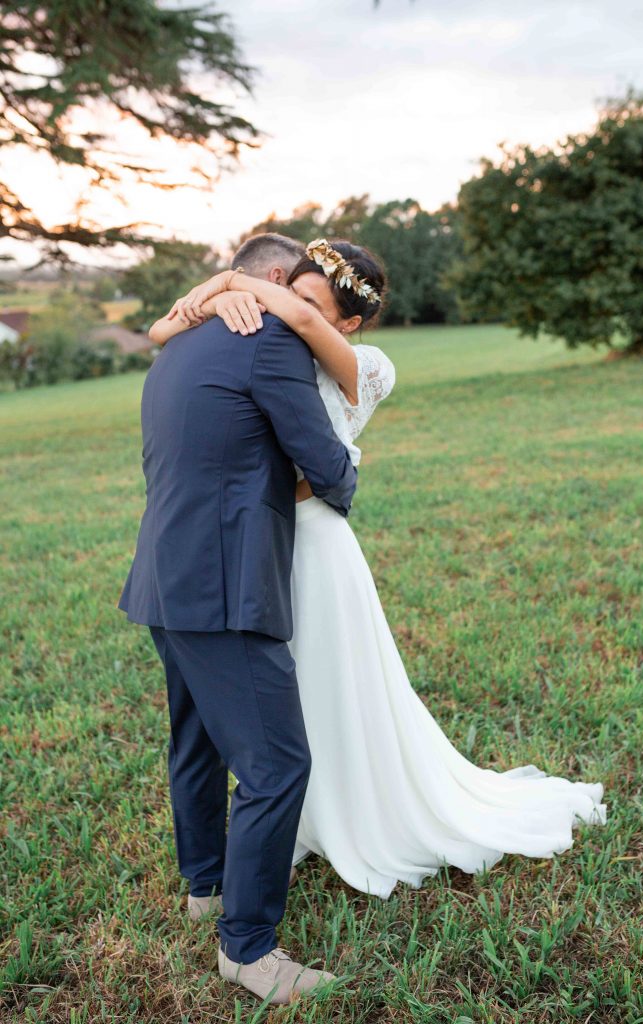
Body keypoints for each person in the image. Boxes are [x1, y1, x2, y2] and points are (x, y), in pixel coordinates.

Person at [154, 234, 606, 905]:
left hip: (312, 544)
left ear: (348, 321)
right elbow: (165, 332)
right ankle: (297, 821)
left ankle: (359, 816)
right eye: (284, 290)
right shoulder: (267, 342)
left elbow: (302, 336)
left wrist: (230, 284)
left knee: (334, 689)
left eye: (301, 298)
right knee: (282, 701)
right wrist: (209, 299)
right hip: (257, 547)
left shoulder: (363, 363)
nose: (283, 308)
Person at [118, 229, 358, 1005]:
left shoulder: (179, 344)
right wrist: (344, 474)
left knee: (195, 740)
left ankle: (205, 886)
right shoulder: (269, 345)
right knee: (276, 763)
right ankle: (249, 949)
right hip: (223, 585)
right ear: (279, 283)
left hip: (164, 574)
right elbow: (325, 463)